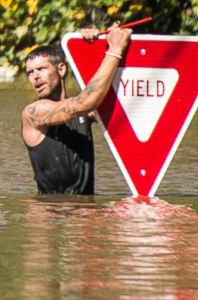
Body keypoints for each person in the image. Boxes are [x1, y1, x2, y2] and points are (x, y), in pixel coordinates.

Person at [21, 23, 132, 194]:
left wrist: (99, 43)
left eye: (41, 69)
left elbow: (111, 99)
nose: (35, 77)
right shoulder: (33, 113)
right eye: (30, 72)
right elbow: (85, 101)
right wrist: (115, 50)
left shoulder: (86, 109)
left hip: (85, 210)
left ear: (61, 69)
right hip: (50, 212)